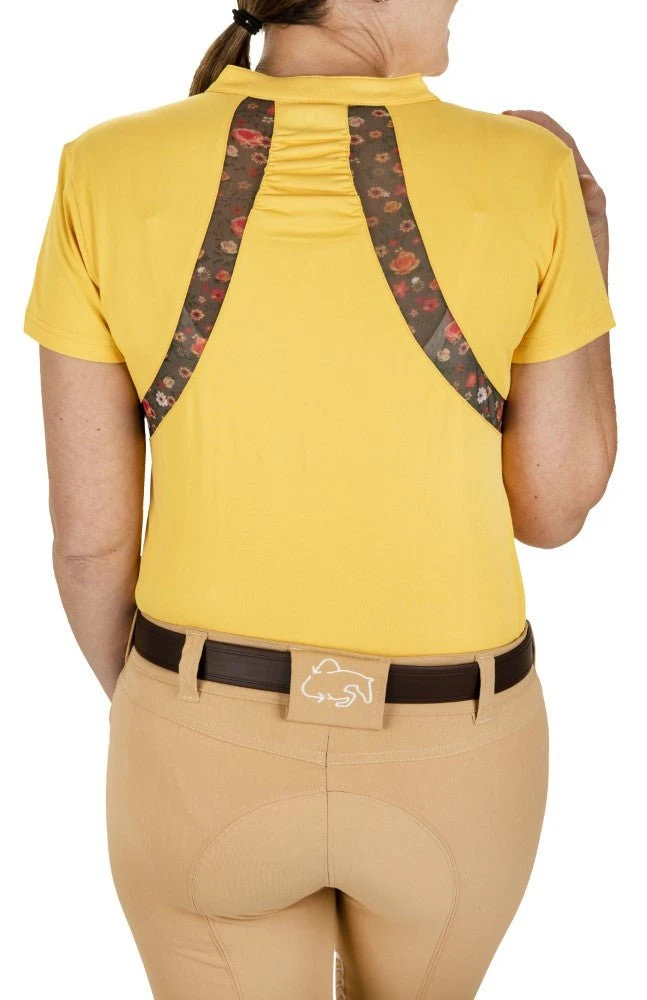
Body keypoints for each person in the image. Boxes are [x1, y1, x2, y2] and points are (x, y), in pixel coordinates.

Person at [23, 1, 617, 997]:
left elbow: (88, 544)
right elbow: (551, 509)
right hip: (456, 757)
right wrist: (590, 247)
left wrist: (168, 718)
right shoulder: (530, 171)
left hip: (200, 744)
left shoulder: (102, 168)